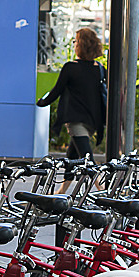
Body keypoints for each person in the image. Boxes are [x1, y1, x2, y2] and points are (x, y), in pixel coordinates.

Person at [37, 27, 105, 194]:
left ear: (80, 45)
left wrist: (41, 102)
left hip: (76, 119)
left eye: (75, 41)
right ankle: (61, 192)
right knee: (72, 156)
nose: (74, 44)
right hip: (93, 120)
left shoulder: (70, 67)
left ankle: (102, 190)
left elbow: (57, 91)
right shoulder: (100, 68)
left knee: (86, 157)